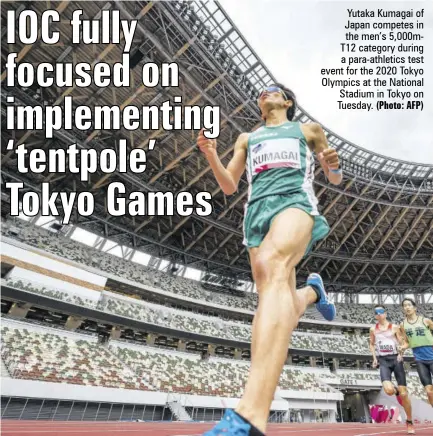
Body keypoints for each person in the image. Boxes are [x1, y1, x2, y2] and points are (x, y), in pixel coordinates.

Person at [197, 83, 340, 435]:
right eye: (261, 92)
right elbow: (230, 185)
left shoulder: (308, 130)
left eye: (273, 90)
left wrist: (333, 167)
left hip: (294, 201)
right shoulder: (247, 137)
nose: (265, 92)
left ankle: (249, 416)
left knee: (272, 266)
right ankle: (311, 294)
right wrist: (211, 154)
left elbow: (334, 176)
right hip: (256, 214)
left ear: (287, 101)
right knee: (279, 303)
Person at [369, 305, 415, 434]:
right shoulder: (373, 329)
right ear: (375, 315)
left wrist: (401, 353)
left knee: (404, 394)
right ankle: (396, 392)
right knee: (388, 390)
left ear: (385, 313)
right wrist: (374, 358)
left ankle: (410, 422)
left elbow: (402, 342)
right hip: (383, 360)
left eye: (381, 312)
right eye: (376, 312)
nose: (378, 314)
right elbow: (372, 344)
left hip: (396, 360)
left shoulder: (394, 327)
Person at [400, 298, 433, 407]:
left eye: (409, 305)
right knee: (429, 391)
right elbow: (406, 342)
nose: (407, 307)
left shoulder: (425, 321)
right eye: (405, 305)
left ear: (415, 308)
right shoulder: (403, 325)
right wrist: (402, 348)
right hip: (420, 360)